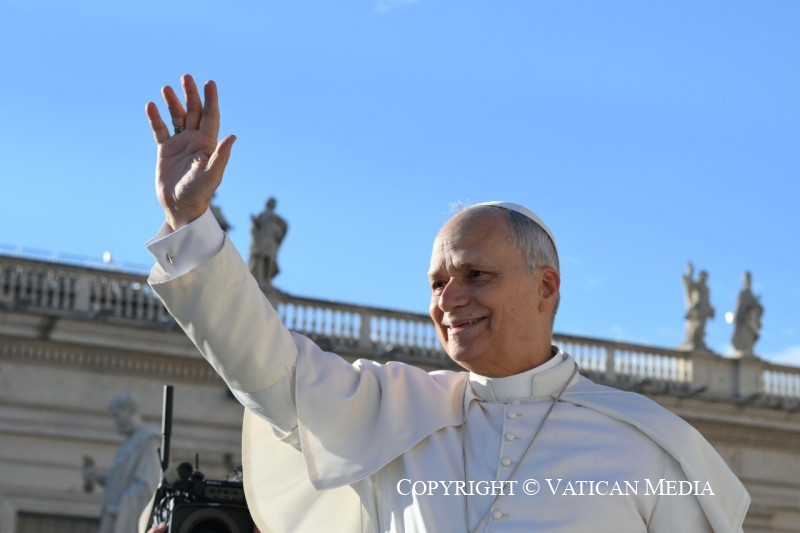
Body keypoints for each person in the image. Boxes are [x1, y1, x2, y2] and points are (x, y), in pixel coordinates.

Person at [144, 75, 749, 532]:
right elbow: (270, 370)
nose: (449, 300)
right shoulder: (395, 416)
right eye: (437, 284)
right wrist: (189, 223)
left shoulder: (644, 443)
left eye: (475, 275)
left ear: (546, 288)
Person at [83, 392, 161, 533]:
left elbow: (147, 482)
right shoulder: (128, 443)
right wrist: (98, 478)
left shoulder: (149, 439)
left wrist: (120, 507)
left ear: (130, 411)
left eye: (117, 416)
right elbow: (120, 482)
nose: (116, 422)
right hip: (113, 516)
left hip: (125, 517)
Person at [680, 262, 715, 351]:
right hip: (696, 311)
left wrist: (710, 309)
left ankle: (698, 342)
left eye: (705, 277)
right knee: (696, 327)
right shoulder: (697, 285)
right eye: (702, 276)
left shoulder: (706, 288)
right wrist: (689, 272)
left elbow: (707, 301)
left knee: (701, 328)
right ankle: (692, 341)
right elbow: (688, 284)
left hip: (704, 312)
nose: (704, 278)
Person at [731, 271, 763, 357]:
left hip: (750, 323)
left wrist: (756, 306)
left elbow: (758, 309)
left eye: (749, 279)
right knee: (744, 340)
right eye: (746, 279)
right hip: (743, 322)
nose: (748, 281)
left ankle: (747, 352)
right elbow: (739, 307)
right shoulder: (742, 293)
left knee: (748, 341)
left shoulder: (751, 295)